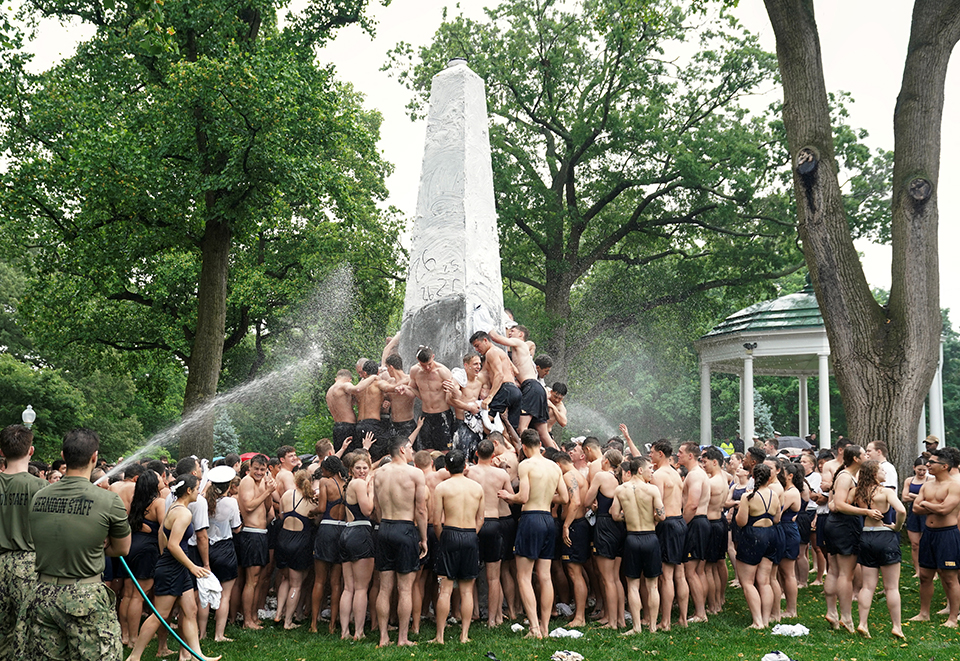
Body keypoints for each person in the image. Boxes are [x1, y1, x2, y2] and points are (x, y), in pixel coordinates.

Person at [22, 429, 130, 661]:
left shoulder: (39, 496)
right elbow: (122, 549)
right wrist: (97, 546)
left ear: (63, 454)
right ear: (94, 457)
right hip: (85, 597)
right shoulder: (109, 500)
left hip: (42, 594)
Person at [127, 474, 220, 661]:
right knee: (160, 614)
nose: (198, 493)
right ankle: (134, 657)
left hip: (176, 567)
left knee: (190, 610)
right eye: (196, 489)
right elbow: (173, 545)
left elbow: (162, 533)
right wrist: (192, 566)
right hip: (172, 568)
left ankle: (196, 655)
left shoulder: (173, 507)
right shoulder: (184, 513)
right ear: (188, 491)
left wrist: (167, 558)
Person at [497, 429, 568, 639]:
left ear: (525, 448)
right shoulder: (554, 466)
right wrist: (545, 496)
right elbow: (564, 497)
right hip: (548, 519)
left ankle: (534, 628)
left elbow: (524, 496)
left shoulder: (526, 464)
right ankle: (545, 628)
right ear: (540, 444)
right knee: (545, 576)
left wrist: (509, 496)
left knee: (524, 576)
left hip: (531, 519)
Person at [372, 436, 428, 647]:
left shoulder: (379, 473)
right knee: (405, 588)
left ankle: (383, 637)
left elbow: (376, 506)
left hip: (385, 526)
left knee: (385, 587)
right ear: (403, 450)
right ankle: (402, 638)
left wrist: (383, 523)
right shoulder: (415, 473)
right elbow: (421, 510)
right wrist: (423, 538)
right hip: (405, 528)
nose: (413, 452)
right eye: (411, 448)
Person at [0, 425, 47, 658]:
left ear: (2, 451)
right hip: (27, 566)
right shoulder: (40, 487)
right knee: (26, 631)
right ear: (31, 451)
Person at [823, 444, 880, 633]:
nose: (867, 456)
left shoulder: (846, 476)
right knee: (845, 574)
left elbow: (833, 503)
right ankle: (845, 617)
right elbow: (838, 504)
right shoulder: (846, 477)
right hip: (844, 526)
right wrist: (866, 511)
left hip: (836, 524)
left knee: (834, 570)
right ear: (856, 458)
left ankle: (832, 612)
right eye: (864, 454)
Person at [431, 450, 484, 644]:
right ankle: (464, 635)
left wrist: (442, 538)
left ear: (446, 468)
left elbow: (436, 521)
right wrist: (471, 534)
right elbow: (481, 518)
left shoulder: (442, 487)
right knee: (467, 590)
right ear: (465, 466)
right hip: (469, 534)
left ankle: (440, 636)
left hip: (450, 533)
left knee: (445, 589)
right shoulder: (477, 488)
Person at [850, 460, 906, 639]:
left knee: (867, 586)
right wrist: (897, 527)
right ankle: (897, 626)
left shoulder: (857, 492)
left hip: (866, 536)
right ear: (874, 474)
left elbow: (839, 505)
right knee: (891, 587)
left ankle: (862, 623)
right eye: (881, 470)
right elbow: (902, 510)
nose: (884, 472)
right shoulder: (886, 491)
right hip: (885, 536)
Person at [611, 456, 664, 634]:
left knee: (632, 585)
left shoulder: (620, 489)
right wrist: (653, 517)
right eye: (649, 468)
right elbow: (662, 515)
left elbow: (615, 515)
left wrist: (629, 516)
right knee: (652, 585)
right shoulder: (652, 489)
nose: (651, 471)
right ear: (640, 470)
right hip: (650, 537)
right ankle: (653, 627)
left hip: (632, 538)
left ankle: (636, 627)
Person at [910, 447, 960, 627]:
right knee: (924, 575)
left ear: (945, 466)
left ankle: (953, 618)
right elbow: (915, 509)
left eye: (932, 462)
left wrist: (924, 503)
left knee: (949, 577)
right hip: (928, 534)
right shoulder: (927, 485)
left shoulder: (954, 485)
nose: (928, 465)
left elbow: (945, 509)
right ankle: (924, 613)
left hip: (947, 534)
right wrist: (932, 505)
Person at [466, 439, 513, 628]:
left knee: (471, 574)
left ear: (476, 454)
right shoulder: (501, 474)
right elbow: (510, 498)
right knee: (494, 577)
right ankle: (494, 619)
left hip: (474, 523)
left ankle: (472, 613)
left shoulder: (469, 472)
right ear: (493, 455)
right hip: (494, 522)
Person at [488, 327, 554, 448]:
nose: (509, 333)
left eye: (512, 331)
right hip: (536, 388)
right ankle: (560, 458)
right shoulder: (522, 353)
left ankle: (529, 454)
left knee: (521, 428)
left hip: (531, 388)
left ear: (521, 334)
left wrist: (487, 326)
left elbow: (496, 338)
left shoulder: (519, 343)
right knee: (543, 433)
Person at [122, 470, 165, 647]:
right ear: (153, 485)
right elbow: (164, 529)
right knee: (139, 596)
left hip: (132, 546)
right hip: (147, 550)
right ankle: (133, 638)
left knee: (128, 594)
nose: (163, 479)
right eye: (159, 478)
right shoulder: (159, 502)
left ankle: (125, 635)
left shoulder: (136, 502)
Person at [735, 463, 781, 629]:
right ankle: (766, 620)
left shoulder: (747, 497)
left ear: (753, 477)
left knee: (747, 582)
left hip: (753, 536)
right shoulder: (775, 495)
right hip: (771, 535)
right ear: (769, 478)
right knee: (765, 581)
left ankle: (757, 621)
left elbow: (741, 522)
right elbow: (777, 519)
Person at [585, 449, 626, 629]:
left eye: (603, 458)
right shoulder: (620, 479)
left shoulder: (601, 476)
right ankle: (619, 618)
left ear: (607, 461)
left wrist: (594, 504)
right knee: (616, 577)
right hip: (619, 527)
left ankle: (612, 622)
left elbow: (587, 501)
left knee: (607, 577)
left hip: (604, 525)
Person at [650, 439, 688, 631]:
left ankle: (665, 621)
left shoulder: (659, 475)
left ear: (661, 454)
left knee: (667, 576)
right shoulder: (676, 473)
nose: (650, 455)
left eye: (652, 452)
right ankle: (682, 618)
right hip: (680, 522)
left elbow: (658, 507)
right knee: (680, 574)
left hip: (668, 524)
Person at [338, 453, 375, 641]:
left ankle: (344, 631)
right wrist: (372, 490)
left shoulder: (349, 485)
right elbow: (367, 510)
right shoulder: (360, 484)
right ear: (351, 470)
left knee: (348, 587)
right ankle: (358, 632)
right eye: (358, 468)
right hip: (360, 533)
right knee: (360, 588)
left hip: (346, 533)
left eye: (365, 468)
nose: (362, 471)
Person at [237, 454, 276, 630]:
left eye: (262, 469)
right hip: (251, 534)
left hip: (261, 533)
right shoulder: (246, 481)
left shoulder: (261, 483)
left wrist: (268, 492)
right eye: (256, 469)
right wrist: (267, 492)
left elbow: (268, 509)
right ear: (250, 468)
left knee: (258, 579)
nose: (259, 472)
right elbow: (249, 506)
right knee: (251, 580)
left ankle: (252, 616)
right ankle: (247, 621)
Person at [203, 466, 242, 642]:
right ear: (228, 486)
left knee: (204, 593)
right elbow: (236, 528)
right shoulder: (231, 502)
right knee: (225, 594)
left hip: (205, 549)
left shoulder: (203, 501)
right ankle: (219, 634)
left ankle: (201, 633)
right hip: (225, 548)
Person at [275, 470, 316, 629]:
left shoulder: (286, 495)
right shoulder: (311, 501)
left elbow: (281, 516)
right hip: (300, 541)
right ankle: (288, 621)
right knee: (296, 584)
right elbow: (316, 521)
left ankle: (279, 613)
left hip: (283, 539)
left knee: (285, 579)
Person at [310, 456, 346, 634]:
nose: (321, 472)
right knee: (336, 582)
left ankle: (314, 624)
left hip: (327, 529)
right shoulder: (346, 483)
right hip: (342, 530)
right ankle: (332, 624)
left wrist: (312, 510)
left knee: (319, 580)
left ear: (328, 469)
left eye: (323, 469)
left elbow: (323, 507)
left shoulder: (325, 482)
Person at [554, 451, 589, 628]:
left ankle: (580, 618)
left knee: (574, 572)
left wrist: (566, 525)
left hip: (575, 525)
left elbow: (575, 502)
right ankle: (579, 613)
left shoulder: (569, 476)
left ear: (559, 464)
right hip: (581, 523)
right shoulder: (579, 475)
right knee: (577, 571)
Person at [400, 346, 458, 452]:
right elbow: (411, 391)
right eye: (423, 365)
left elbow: (455, 395)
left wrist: (454, 390)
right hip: (426, 415)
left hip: (442, 414)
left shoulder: (443, 371)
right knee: (427, 451)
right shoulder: (415, 371)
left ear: (433, 357)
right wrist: (405, 391)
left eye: (429, 364)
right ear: (418, 361)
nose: (427, 368)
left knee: (445, 450)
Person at [470, 331, 523, 432]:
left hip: (505, 389)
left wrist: (490, 397)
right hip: (515, 392)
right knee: (511, 429)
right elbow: (516, 371)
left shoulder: (491, 352)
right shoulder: (501, 352)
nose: (477, 349)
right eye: (475, 347)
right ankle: (513, 447)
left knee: (486, 422)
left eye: (477, 346)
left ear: (485, 340)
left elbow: (499, 374)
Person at [902, 457, 929, 578]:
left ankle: (931, 571)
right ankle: (917, 570)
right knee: (915, 544)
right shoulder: (909, 480)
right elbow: (904, 497)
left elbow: (930, 498)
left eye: (924, 470)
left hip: (926, 513)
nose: (922, 472)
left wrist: (913, 495)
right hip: (913, 513)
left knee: (927, 543)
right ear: (914, 468)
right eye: (919, 470)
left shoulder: (931, 480)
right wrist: (920, 497)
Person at [326, 369, 359, 452]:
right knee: (352, 457)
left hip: (337, 427)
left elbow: (346, 404)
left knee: (341, 456)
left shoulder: (329, 391)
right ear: (349, 379)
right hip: (348, 427)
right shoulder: (345, 385)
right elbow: (356, 389)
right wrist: (372, 378)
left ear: (336, 379)